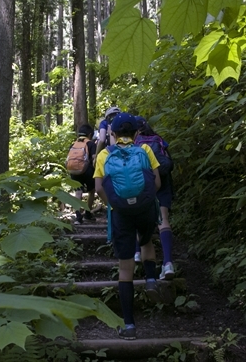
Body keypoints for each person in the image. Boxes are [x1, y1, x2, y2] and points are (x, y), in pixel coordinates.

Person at [93, 112, 162, 340]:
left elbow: (99, 188)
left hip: (120, 213)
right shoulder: (145, 151)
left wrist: (113, 205)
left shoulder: (104, 154)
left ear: (112, 133)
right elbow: (157, 182)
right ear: (136, 133)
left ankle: (130, 327)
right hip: (144, 209)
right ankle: (151, 280)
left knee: (124, 269)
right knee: (146, 239)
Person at [133, 117, 175, 280]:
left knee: (139, 218)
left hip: (143, 183)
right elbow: (169, 163)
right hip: (163, 183)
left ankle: (137, 252)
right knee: (163, 219)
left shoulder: (134, 144)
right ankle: (168, 263)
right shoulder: (159, 139)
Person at [68, 124, 97, 224]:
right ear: (89, 134)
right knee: (92, 191)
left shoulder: (73, 144)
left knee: (78, 192)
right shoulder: (91, 144)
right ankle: (88, 214)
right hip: (88, 170)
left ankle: (78, 217)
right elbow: (94, 158)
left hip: (74, 171)